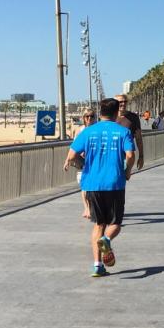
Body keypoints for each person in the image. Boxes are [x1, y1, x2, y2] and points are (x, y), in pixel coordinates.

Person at [63, 98, 136, 278]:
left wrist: (85, 164)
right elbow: (130, 154)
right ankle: (107, 240)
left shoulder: (88, 132)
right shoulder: (123, 132)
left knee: (98, 225)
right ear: (116, 111)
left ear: (100, 112)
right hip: (114, 183)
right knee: (115, 224)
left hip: (92, 184)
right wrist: (127, 171)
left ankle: (97, 266)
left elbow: (72, 156)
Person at [114, 94, 145, 171]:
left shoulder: (133, 117)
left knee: (120, 180)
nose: (123, 104)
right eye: (120, 102)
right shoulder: (110, 117)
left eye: (125, 101)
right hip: (111, 156)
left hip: (126, 157)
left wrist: (141, 157)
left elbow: (138, 138)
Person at [76, 109, 97, 218]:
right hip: (82, 162)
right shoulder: (80, 131)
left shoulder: (99, 129)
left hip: (96, 161)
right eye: (87, 116)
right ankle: (87, 208)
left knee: (93, 186)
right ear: (83, 118)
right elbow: (74, 147)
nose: (89, 119)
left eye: (92, 116)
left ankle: (94, 207)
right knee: (84, 185)